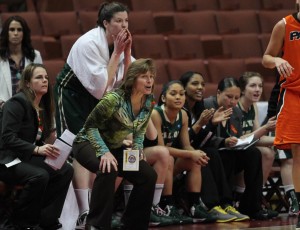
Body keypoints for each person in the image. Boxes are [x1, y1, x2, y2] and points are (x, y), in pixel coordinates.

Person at [53, 2, 133, 228]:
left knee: (123, 162)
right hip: (72, 95)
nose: (124, 25)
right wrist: (118, 52)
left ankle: (104, 211)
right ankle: (83, 212)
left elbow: (126, 84)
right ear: (105, 23)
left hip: (98, 98)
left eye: (126, 21)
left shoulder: (120, 44)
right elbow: (101, 88)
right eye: (119, 21)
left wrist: (125, 53)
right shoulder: (89, 43)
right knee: (79, 144)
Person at [72, 58, 157, 230]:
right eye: (144, 76)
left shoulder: (148, 101)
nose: (149, 81)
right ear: (133, 79)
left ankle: (133, 224)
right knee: (109, 167)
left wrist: (137, 148)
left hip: (116, 146)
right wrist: (104, 151)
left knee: (147, 175)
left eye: (151, 76)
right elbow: (90, 126)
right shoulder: (114, 99)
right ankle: (95, 225)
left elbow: (139, 130)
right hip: (87, 142)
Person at [0, 63, 73, 230]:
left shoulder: (43, 107)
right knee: (40, 176)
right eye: (39, 77)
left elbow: (38, 139)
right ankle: (20, 220)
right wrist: (38, 149)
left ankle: (47, 219)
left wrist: (53, 144)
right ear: (27, 83)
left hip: (25, 157)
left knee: (65, 170)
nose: (45, 80)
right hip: (7, 159)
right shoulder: (16, 103)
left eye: (46, 77)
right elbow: (7, 138)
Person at [179, 71, 250, 222]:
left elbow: (200, 140)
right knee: (205, 153)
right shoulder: (181, 109)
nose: (200, 88)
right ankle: (211, 205)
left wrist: (211, 124)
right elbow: (184, 142)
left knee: (212, 151)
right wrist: (206, 124)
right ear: (183, 88)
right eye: (195, 84)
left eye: (203, 84)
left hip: (192, 151)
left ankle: (226, 203)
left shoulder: (199, 108)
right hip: (177, 154)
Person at [203, 77, 276, 220]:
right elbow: (200, 137)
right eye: (229, 97)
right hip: (210, 156)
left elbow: (239, 138)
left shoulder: (236, 112)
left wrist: (237, 141)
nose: (233, 101)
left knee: (253, 153)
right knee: (225, 155)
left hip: (228, 153)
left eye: (236, 98)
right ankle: (225, 203)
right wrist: (224, 141)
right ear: (218, 93)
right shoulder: (207, 106)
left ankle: (252, 206)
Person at [151, 80, 215, 224]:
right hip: (151, 160)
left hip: (168, 162)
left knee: (195, 160)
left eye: (181, 94)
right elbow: (162, 148)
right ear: (163, 98)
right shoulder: (156, 114)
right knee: (168, 157)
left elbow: (186, 145)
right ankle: (167, 205)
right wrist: (190, 153)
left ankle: (194, 205)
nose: (178, 97)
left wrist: (196, 154)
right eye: (173, 94)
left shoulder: (184, 115)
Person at [262, 1, 300, 227]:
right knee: (298, 151)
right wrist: (277, 59)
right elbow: (266, 58)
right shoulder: (284, 25)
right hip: (294, 93)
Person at [0, 15, 43, 108]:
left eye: (19, 30)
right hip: (3, 110)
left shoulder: (35, 56)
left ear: (24, 33)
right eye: (12, 30)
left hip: (29, 108)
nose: (15, 33)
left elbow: (41, 84)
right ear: (6, 33)